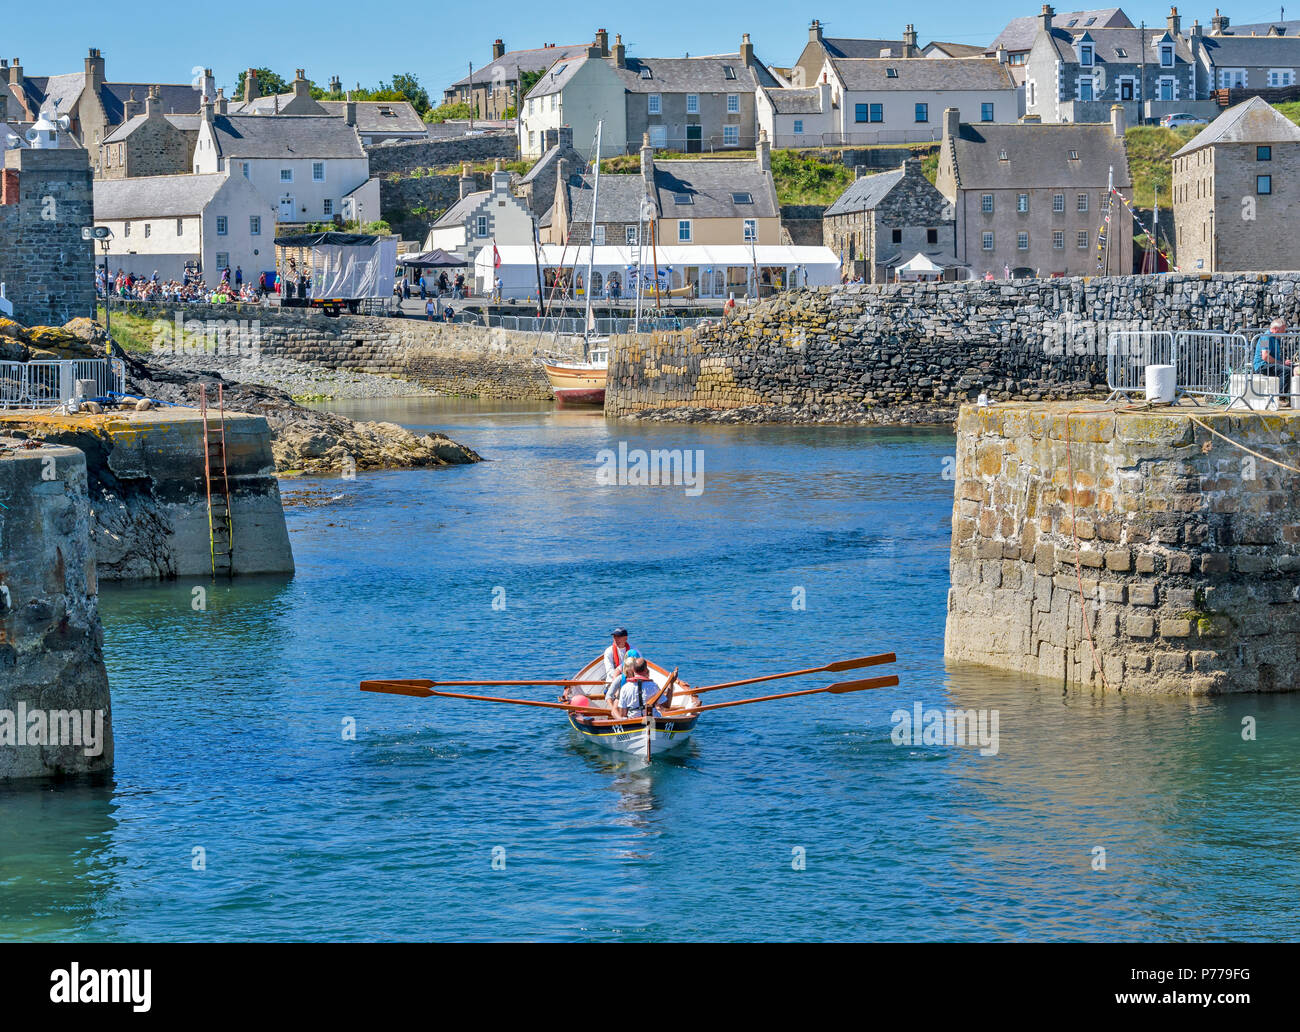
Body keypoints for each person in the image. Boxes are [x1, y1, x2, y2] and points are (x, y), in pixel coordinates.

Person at [1254, 318, 1293, 388]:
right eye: (1283, 330)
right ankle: (1282, 397)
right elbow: (1265, 356)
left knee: (1294, 369)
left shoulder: (1276, 339)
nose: (1284, 332)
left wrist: (1284, 362)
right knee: (1286, 371)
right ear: (1275, 329)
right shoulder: (1265, 337)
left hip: (1271, 365)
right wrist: (1282, 363)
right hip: (1262, 366)